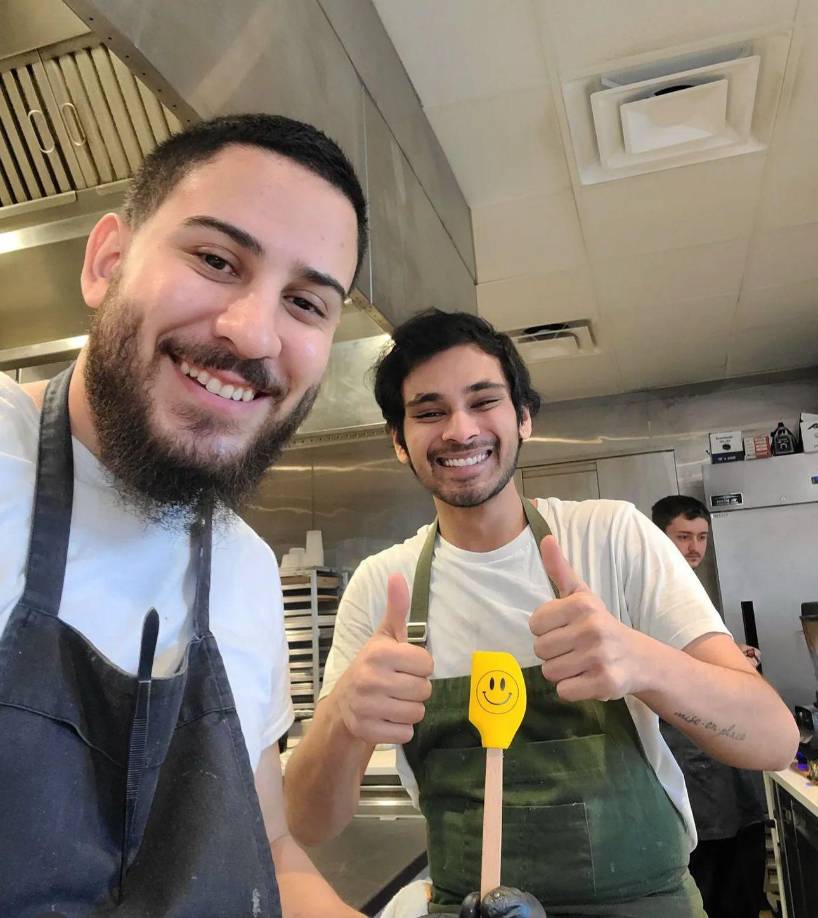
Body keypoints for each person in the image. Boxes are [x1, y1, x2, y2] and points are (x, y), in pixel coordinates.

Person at [284, 310, 799, 918]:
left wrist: (641, 662)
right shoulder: (381, 586)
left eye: (484, 401)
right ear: (400, 441)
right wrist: (344, 720)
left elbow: (773, 739)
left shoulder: (612, 537)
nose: (459, 429)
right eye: (428, 412)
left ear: (523, 417)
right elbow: (309, 823)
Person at [0, 113, 368, 916]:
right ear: (107, 262)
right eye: (215, 259)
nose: (251, 332)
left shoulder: (244, 567)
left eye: (306, 303)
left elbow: (269, 849)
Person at [652, 496, 769, 918]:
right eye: (683, 537)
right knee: (709, 882)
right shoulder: (649, 591)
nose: (694, 548)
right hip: (688, 764)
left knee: (742, 874)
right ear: (657, 536)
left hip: (729, 763)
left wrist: (735, 657)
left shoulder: (691, 590)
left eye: (701, 537)